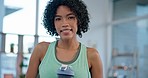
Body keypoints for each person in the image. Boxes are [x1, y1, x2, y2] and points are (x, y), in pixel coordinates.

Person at [26, 0, 103, 78]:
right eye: (58, 19)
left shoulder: (92, 55)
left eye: (70, 17)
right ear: (53, 23)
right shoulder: (41, 50)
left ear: (79, 21)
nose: (64, 24)